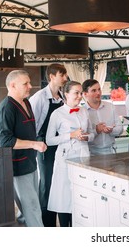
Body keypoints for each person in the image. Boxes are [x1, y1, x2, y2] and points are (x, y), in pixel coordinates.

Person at [0, 70, 47, 227]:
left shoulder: (27, 102)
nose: (30, 86)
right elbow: (5, 141)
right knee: (32, 209)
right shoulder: (6, 108)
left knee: (27, 211)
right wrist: (34, 144)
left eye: (29, 82)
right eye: (25, 83)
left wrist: (36, 141)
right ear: (12, 85)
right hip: (17, 166)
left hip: (30, 163)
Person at [45, 81, 95, 227]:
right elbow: (49, 140)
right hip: (65, 158)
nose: (80, 96)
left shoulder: (84, 111)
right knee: (64, 195)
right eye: (76, 93)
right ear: (66, 94)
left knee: (81, 193)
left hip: (84, 156)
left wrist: (86, 136)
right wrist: (71, 135)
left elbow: (92, 134)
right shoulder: (57, 114)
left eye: (81, 93)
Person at [29, 63, 67, 227]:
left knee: (60, 182)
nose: (65, 78)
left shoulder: (62, 97)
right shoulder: (39, 97)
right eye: (62, 75)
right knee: (47, 184)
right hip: (44, 145)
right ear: (52, 76)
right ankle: (47, 226)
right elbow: (31, 123)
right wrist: (36, 143)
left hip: (61, 145)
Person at [82, 79, 123, 155]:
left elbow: (120, 129)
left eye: (99, 89)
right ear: (85, 94)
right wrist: (96, 131)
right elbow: (82, 136)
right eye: (94, 90)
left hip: (110, 151)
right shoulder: (82, 112)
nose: (98, 93)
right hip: (91, 153)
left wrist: (111, 131)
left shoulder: (110, 107)